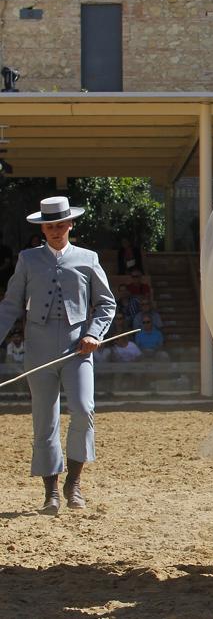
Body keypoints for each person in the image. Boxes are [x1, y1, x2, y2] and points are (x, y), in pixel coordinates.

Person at [0, 196, 116, 515]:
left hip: (77, 347)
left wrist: (94, 333)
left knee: (83, 409)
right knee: (44, 419)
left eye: (59, 225)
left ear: (69, 225)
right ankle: (50, 492)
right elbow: (11, 304)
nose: (54, 230)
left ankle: (74, 484)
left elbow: (107, 303)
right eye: (48, 226)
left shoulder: (88, 258)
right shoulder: (27, 259)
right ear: (42, 228)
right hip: (37, 348)